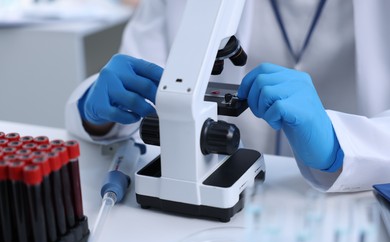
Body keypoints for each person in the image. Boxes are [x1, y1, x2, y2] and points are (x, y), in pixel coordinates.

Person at [65, 0, 390, 192]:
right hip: (208, 205)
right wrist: (95, 113)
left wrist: (339, 146)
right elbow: (139, 81)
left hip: (347, 204)